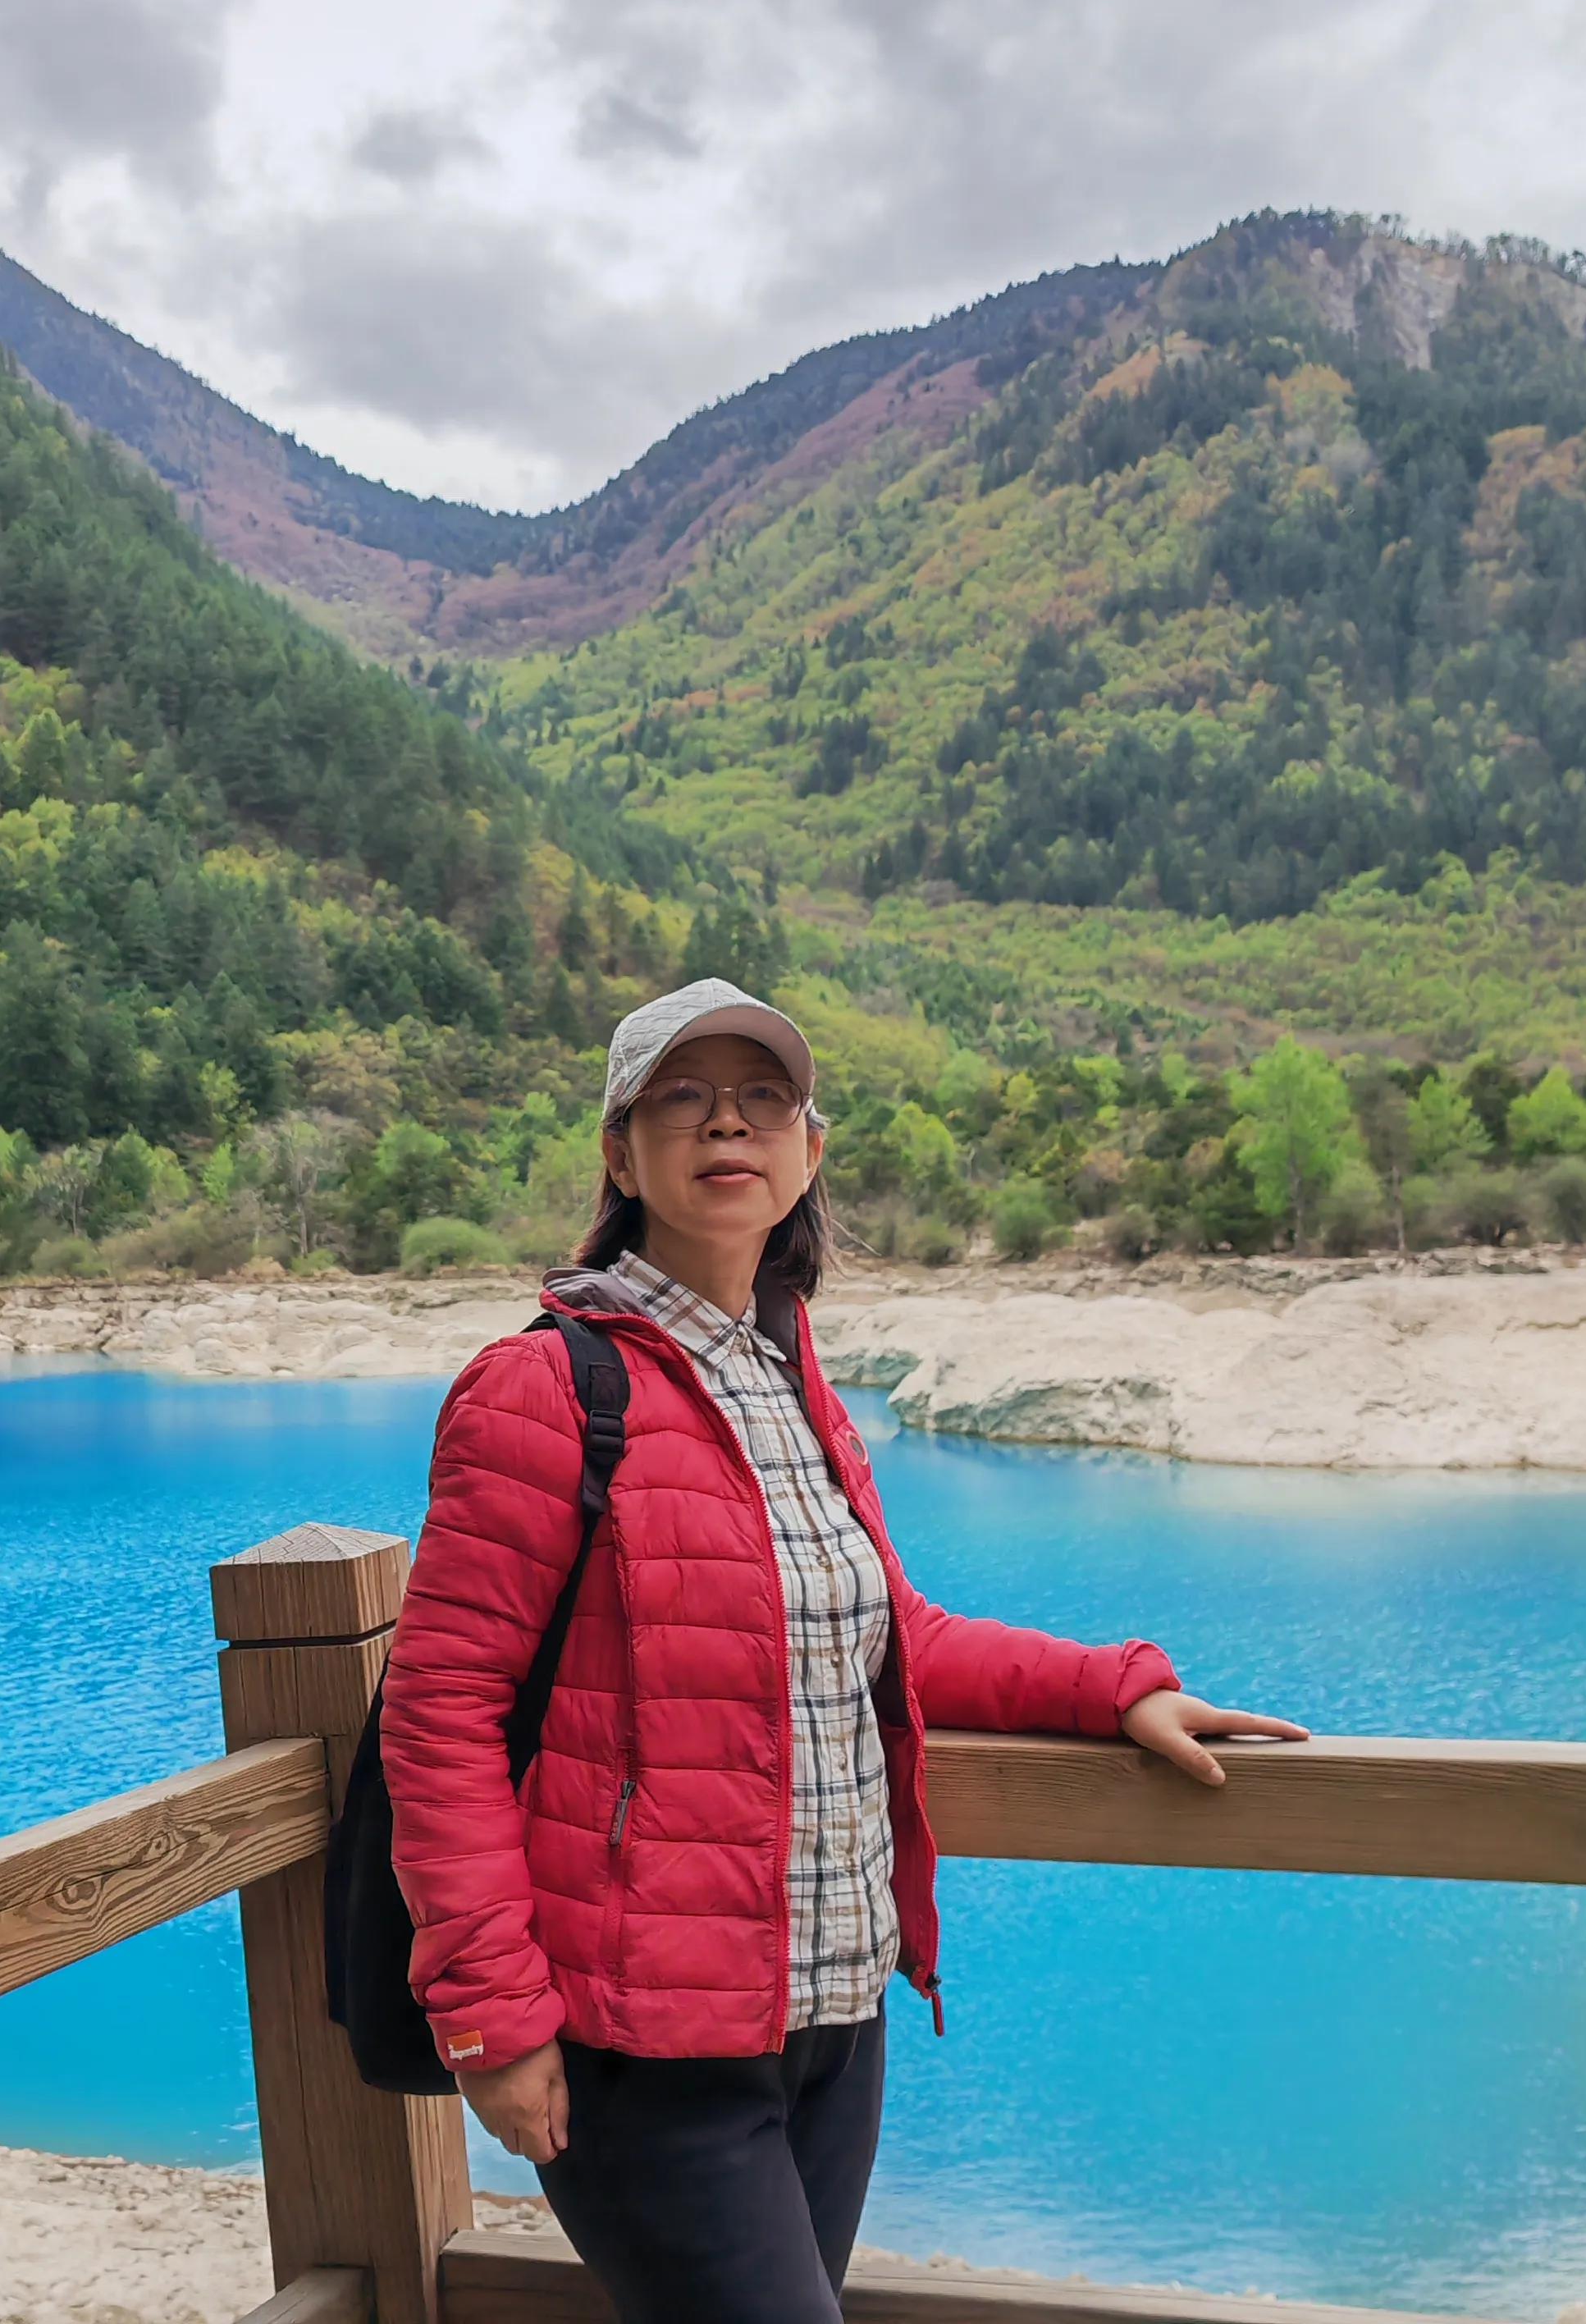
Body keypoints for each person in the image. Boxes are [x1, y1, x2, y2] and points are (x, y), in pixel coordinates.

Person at [377, 979, 1305, 2324]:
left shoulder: (788, 1370)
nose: (725, 1126)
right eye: (681, 1099)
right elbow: (441, 1714)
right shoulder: (545, 1387)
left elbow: (888, 1631)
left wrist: (1118, 1689)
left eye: (763, 1098)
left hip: (832, 2019)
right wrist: (492, 2018)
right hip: (643, 2043)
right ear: (620, 1152)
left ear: (811, 1149)